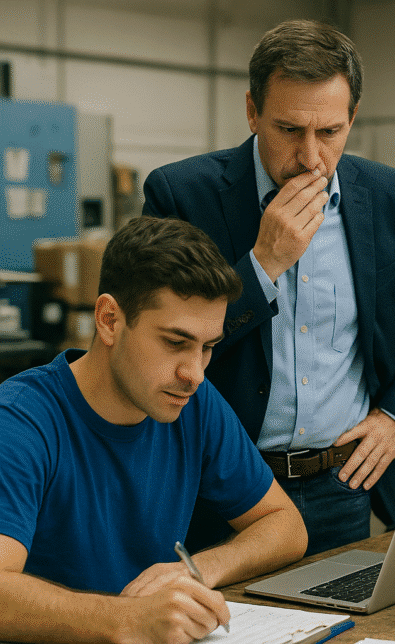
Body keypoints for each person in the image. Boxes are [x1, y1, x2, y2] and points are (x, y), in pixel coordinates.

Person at [142, 20, 395, 555]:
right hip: (221, 486)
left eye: (331, 132)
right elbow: (160, 342)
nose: (312, 157)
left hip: (343, 483)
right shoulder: (182, 195)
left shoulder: (386, 194)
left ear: (353, 118)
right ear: (252, 111)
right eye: (290, 130)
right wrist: (262, 264)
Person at [0, 217, 308, 644]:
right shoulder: (21, 420)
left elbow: (286, 526)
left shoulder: (193, 403)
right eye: (175, 342)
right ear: (109, 320)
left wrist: (196, 570)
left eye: (207, 347)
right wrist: (131, 619)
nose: (195, 372)